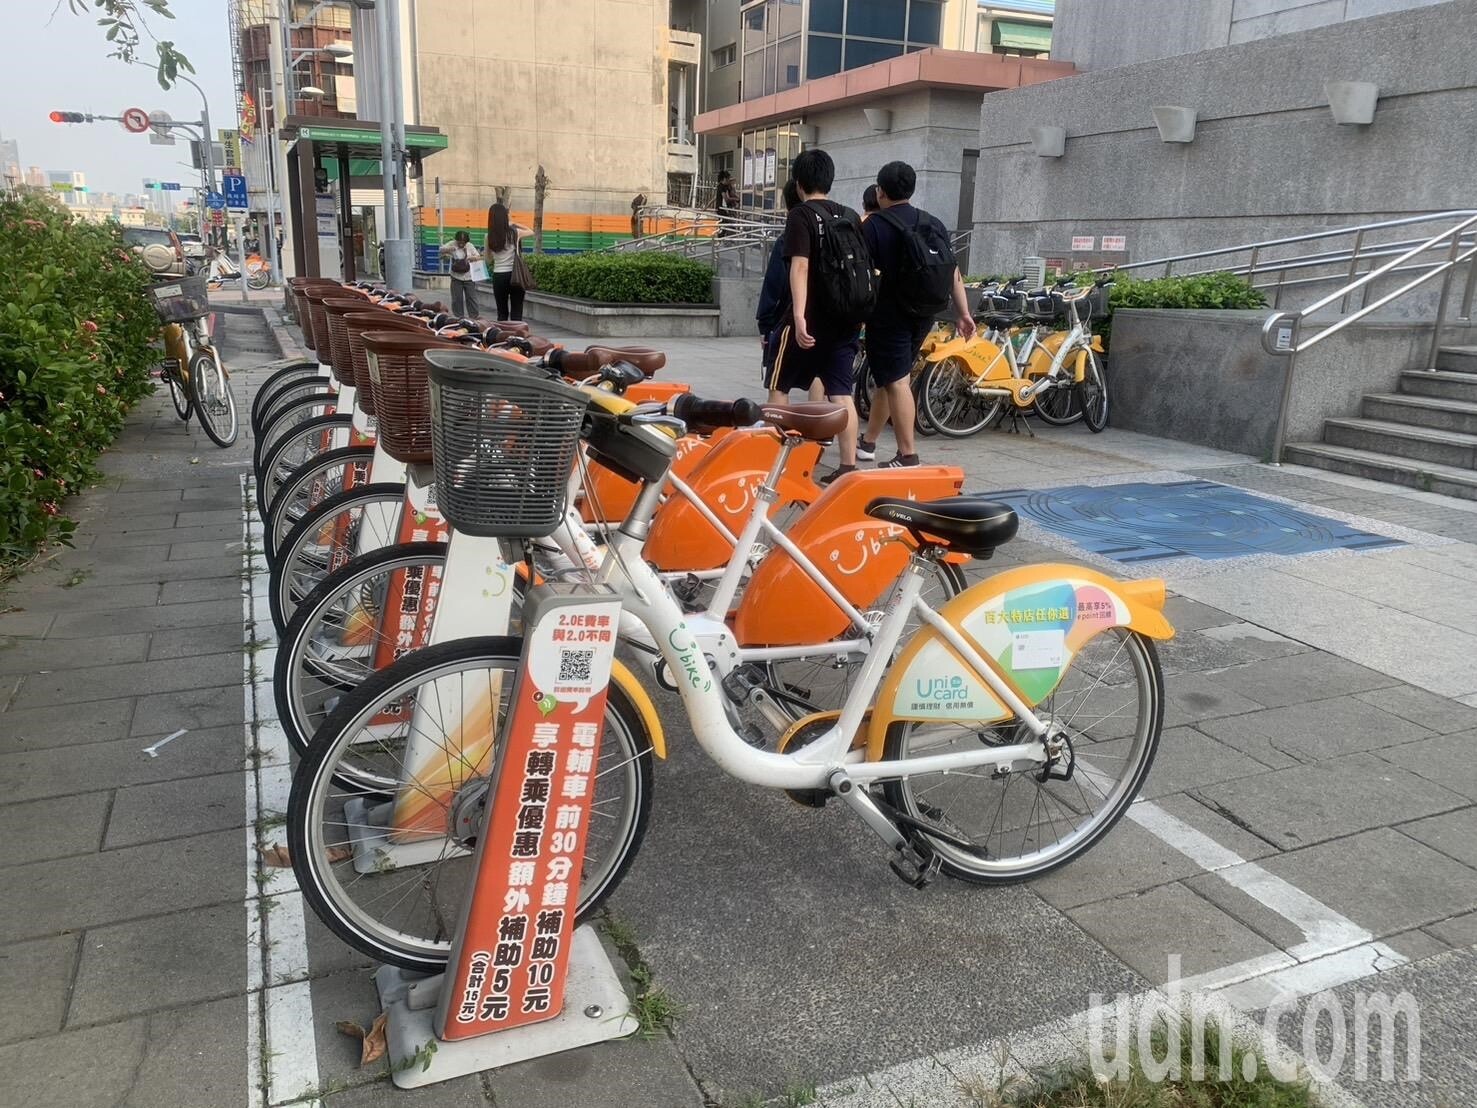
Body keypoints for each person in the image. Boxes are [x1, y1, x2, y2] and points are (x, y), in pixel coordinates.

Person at [858, 160, 975, 468]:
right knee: (890, 377)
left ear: (880, 192)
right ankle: (868, 442)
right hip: (924, 312)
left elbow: (859, 274)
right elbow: (952, 270)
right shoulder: (932, 222)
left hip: (889, 314)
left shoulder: (874, 226)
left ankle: (907, 454)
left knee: (896, 380)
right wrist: (963, 312)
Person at [766, 148, 867, 482]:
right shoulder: (850, 215)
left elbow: (800, 265)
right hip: (846, 320)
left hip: (808, 322)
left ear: (799, 184)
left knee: (779, 386)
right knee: (841, 394)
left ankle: (770, 462)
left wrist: (798, 317)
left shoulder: (801, 215)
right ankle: (848, 467)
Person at [756, 180, 826, 402]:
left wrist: (765, 325)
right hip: (826, 317)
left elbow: (774, 285)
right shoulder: (830, 232)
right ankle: (818, 432)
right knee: (818, 374)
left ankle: (777, 433)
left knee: (779, 383)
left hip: (789, 320)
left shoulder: (787, 240)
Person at [487, 202, 532, 322]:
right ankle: (517, 338)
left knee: (502, 313)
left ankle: (503, 338)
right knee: (517, 312)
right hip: (515, 276)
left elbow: (488, 259)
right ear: (505, 217)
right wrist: (515, 223)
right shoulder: (514, 233)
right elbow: (531, 231)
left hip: (499, 276)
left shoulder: (489, 236)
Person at [438, 230, 482, 319]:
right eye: (459, 242)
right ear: (456, 240)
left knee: (471, 298)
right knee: (457, 298)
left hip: (468, 277)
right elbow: (441, 250)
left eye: (463, 242)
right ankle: (459, 317)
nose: (461, 244)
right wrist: (450, 249)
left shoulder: (470, 246)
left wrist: (470, 258)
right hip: (456, 276)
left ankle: (474, 317)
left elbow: (478, 257)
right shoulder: (452, 243)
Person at [715, 170, 738, 236]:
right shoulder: (721, 187)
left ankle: (722, 240)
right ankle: (722, 240)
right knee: (727, 225)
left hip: (722, 209)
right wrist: (736, 199)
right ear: (725, 179)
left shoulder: (722, 186)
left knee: (725, 226)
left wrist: (706, 207)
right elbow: (726, 199)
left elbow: (715, 198)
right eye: (728, 179)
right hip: (722, 209)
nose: (729, 181)